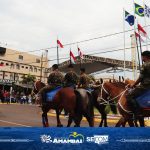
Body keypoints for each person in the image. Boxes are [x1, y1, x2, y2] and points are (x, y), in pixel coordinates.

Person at [126, 51, 150, 118]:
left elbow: (140, 78)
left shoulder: (145, 64)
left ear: (145, 57)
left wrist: (133, 85)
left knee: (129, 95)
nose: (142, 58)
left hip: (145, 86)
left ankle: (137, 113)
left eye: (142, 56)